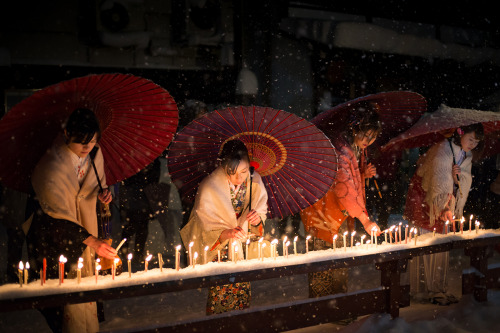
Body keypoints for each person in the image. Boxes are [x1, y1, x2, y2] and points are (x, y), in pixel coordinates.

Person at [26, 108, 117, 332]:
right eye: (81, 142)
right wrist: (93, 241)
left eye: (93, 141)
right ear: (67, 134)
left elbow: (97, 186)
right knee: (66, 298)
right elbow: (55, 216)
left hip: (87, 227)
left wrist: (103, 195)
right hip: (56, 237)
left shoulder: (95, 154)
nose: (87, 148)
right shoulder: (50, 166)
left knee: (87, 293)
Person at [300, 105, 382, 298]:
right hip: (323, 212)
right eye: (365, 135)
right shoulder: (341, 151)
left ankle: (337, 304)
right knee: (324, 259)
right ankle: (324, 306)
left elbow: (349, 182)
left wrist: (362, 173)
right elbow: (344, 188)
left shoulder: (352, 147)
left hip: (338, 213)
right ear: (355, 129)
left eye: (373, 137)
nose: (368, 141)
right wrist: (365, 220)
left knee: (339, 258)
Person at [180, 139, 268, 315]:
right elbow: (202, 226)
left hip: (242, 245)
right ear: (222, 166)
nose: (239, 178)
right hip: (219, 250)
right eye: (232, 173)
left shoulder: (254, 180)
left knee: (242, 293)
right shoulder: (210, 186)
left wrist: (257, 220)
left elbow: (261, 215)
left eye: (243, 171)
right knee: (221, 294)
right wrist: (225, 234)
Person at [405, 123, 484, 305]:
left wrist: (457, 177)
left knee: (440, 243)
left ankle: (437, 288)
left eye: (476, 141)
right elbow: (438, 178)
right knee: (425, 242)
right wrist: (444, 206)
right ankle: (422, 290)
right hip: (426, 198)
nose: (473, 144)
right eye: (471, 139)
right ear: (460, 133)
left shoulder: (466, 155)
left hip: (445, 201)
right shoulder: (443, 148)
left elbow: (463, 179)